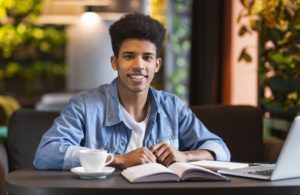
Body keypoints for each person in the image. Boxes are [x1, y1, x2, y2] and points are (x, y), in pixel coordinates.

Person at [34, 13, 230, 170]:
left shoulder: (172, 107)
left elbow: (219, 149)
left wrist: (184, 156)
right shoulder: (85, 105)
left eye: (147, 57)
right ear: (114, 62)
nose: (139, 65)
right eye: (129, 56)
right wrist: (118, 159)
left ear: (157, 65)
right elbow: (46, 153)